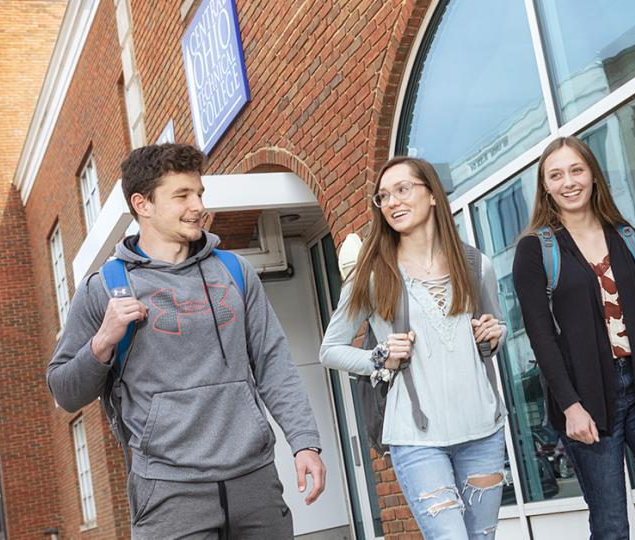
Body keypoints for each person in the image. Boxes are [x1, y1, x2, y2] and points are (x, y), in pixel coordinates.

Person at [47, 143, 326, 539]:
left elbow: (273, 363)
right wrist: (102, 343)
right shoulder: (105, 288)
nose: (198, 206)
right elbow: (64, 391)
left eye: (199, 193)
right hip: (168, 491)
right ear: (142, 204)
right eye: (182, 195)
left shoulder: (234, 270)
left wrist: (304, 443)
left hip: (255, 480)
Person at [512, 136, 635, 539]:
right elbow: (541, 337)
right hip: (587, 401)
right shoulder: (535, 250)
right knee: (610, 525)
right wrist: (570, 406)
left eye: (576, 170)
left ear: (592, 175)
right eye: (556, 175)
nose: (568, 181)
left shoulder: (629, 238)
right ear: (545, 186)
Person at [320, 156, 508, 539]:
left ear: (433, 195)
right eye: (383, 197)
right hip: (417, 439)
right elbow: (330, 349)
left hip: (482, 430)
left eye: (403, 190)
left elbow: (496, 326)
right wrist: (379, 356)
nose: (392, 202)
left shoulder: (476, 265)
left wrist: (495, 332)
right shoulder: (372, 275)